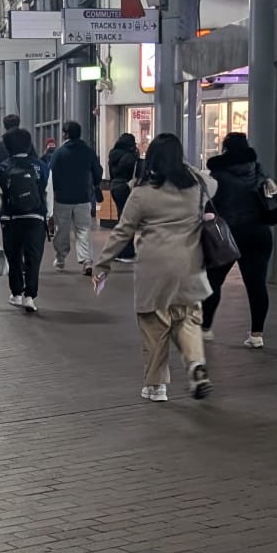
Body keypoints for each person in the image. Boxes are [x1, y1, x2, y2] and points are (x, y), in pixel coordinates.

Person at [91, 132, 213, 402]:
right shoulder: (197, 186)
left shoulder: (143, 193)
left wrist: (103, 264)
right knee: (189, 320)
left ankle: (156, 387)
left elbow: (122, 233)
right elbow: (212, 183)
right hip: (190, 267)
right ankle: (195, 364)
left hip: (154, 270)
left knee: (155, 327)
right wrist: (186, 167)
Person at [203, 130, 277, 348]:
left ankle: (205, 328)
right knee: (257, 285)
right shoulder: (259, 171)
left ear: (225, 149)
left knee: (213, 281)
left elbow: (210, 202)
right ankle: (256, 335)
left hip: (226, 235)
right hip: (259, 234)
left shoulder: (218, 173)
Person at [0, 126, 50, 313]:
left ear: (7, 147)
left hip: (11, 219)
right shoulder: (41, 166)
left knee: (14, 256)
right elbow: (49, 193)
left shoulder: (2, 169)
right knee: (33, 257)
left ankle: (16, 293)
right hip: (36, 218)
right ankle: (29, 296)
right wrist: (48, 216)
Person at [49, 120, 103, 272]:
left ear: (65, 134)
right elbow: (98, 172)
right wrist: (95, 184)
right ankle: (86, 260)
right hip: (83, 197)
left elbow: (50, 174)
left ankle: (60, 259)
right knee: (83, 229)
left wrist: (54, 191)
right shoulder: (88, 151)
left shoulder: (59, 153)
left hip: (63, 199)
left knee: (62, 230)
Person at [107, 129, 140, 261]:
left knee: (122, 219)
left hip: (114, 186)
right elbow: (134, 172)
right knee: (127, 221)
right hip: (126, 188)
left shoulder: (113, 154)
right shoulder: (129, 157)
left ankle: (119, 249)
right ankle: (126, 251)